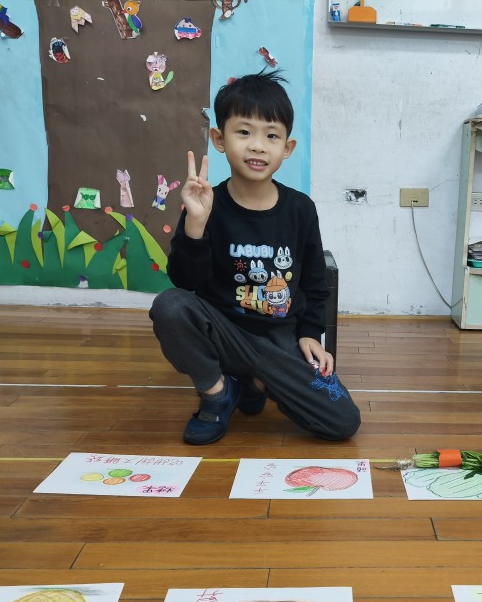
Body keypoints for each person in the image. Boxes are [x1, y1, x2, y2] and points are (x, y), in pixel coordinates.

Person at [149, 70, 361, 445]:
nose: (258, 146)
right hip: (224, 333)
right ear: (219, 139)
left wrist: (310, 334)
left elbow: (315, 282)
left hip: (279, 340)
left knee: (342, 420)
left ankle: (253, 380)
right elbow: (185, 282)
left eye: (271, 136)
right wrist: (195, 226)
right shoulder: (206, 204)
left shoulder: (300, 210)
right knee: (169, 306)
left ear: (287, 148)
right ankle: (218, 393)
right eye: (244, 132)